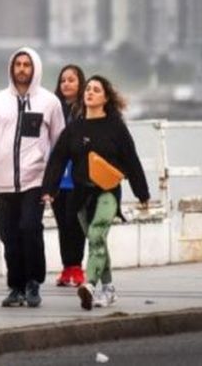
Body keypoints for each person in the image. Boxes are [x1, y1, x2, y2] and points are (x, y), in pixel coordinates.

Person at [0, 47, 65, 308]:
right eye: (18, 64)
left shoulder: (49, 102)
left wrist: (55, 181)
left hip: (36, 180)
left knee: (30, 228)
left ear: (35, 69)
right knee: (8, 234)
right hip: (4, 182)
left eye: (27, 65)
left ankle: (34, 283)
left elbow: (60, 142)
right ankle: (16, 287)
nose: (22, 69)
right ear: (12, 68)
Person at [41, 75, 150, 311]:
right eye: (88, 89)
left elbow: (131, 159)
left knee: (97, 234)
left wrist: (142, 193)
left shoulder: (115, 127)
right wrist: (49, 189)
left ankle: (89, 285)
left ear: (106, 97)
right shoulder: (74, 129)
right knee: (95, 240)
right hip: (81, 195)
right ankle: (108, 289)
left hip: (108, 193)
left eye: (96, 90)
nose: (90, 93)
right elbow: (58, 159)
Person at [51, 64, 87, 288]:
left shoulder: (85, 110)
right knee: (62, 223)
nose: (66, 84)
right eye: (63, 80)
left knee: (76, 223)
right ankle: (66, 268)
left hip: (78, 177)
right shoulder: (54, 108)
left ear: (80, 83)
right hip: (58, 178)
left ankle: (77, 268)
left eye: (71, 80)